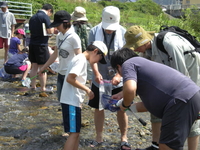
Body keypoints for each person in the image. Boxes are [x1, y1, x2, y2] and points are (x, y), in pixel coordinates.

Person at [123, 25, 200, 150]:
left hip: (189, 77)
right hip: (174, 80)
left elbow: (182, 75)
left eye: (136, 46)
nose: (135, 50)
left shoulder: (169, 43)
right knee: (157, 102)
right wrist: (123, 95)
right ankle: (156, 144)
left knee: (193, 119)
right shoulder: (146, 51)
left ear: (143, 41)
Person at [87, 6, 130, 150]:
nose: (109, 30)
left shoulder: (124, 33)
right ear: (101, 20)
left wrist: (119, 75)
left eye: (112, 28)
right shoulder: (93, 31)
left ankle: (124, 137)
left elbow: (126, 58)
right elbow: (90, 56)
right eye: (107, 27)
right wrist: (96, 72)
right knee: (99, 108)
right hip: (99, 77)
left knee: (121, 108)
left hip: (118, 77)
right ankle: (99, 136)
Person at [60, 41, 108, 150]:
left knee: (76, 132)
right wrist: (87, 89)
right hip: (70, 101)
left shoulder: (80, 58)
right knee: (74, 133)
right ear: (95, 51)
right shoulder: (81, 60)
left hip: (73, 101)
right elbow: (70, 79)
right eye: (100, 58)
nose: (98, 61)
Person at [39, 10, 81, 102]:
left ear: (66, 23)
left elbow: (80, 58)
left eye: (58, 24)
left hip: (70, 74)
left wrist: (78, 76)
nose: (56, 27)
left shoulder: (74, 37)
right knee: (61, 100)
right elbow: (55, 54)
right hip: (61, 73)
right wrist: (44, 67)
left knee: (71, 101)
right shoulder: (59, 36)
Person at [28, 3, 54, 92]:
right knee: (43, 67)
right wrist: (52, 32)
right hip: (41, 45)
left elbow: (30, 31)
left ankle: (33, 86)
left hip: (32, 44)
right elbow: (50, 30)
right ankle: (43, 88)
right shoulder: (45, 17)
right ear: (49, 11)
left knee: (34, 66)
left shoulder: (33, 17)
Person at [71, 6, 93, 85]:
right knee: (90, 74)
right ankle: (92, 90)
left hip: (76, 55)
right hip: (89, 54)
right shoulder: (90, 28)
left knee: (77, 74)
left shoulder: (72, 29)